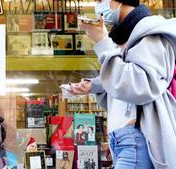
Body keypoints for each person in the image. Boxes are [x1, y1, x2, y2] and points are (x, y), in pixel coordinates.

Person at [70, 0, 176, 168]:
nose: (98, 6)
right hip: (121, 141)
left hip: (135, 139)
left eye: (99, 1)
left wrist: (102, 42)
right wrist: (95, 85)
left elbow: (141, 85)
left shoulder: (149, 33)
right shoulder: (124, 36)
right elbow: (125, 80)